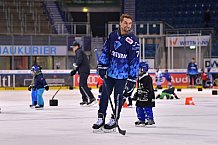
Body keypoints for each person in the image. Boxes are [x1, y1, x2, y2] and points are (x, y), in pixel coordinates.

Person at [92, 14, 140, 130]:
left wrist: (132, 79)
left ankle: (114, 119)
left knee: (118, 98)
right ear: (120, 23)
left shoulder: (133, 41)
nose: (127, 26)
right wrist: (102, 66)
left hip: (123, 76)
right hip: (110, 73)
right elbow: (106, 51)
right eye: (125, 23)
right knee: (104, 96)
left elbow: (134, 61)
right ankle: (101, 117)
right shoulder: (113, 35)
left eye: (129, 23)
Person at [70, 42, 96, 106]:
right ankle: (85, 100)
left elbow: (79, 60)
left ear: (77, 46)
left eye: (73, 47)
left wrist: (76, 65)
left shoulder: (79, 51)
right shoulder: (79, 52)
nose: (72, 49)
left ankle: (92, 98)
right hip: (82, 70)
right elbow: (79, 62)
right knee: (81, 85)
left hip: (84, 71)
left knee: (83, 85)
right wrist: (74, 71)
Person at [132, 62, 155, 127]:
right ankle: (141, 119)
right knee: (138, 107)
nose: (137, 70)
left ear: (143, 69)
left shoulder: (147, 78)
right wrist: (136, 94)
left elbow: (149, 88)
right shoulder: (140, 78)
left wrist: (145, 93)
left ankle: (150, 119)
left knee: (147, 108)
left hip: (147, 97)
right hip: (141, 96)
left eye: (138, 69)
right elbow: (139, 87)